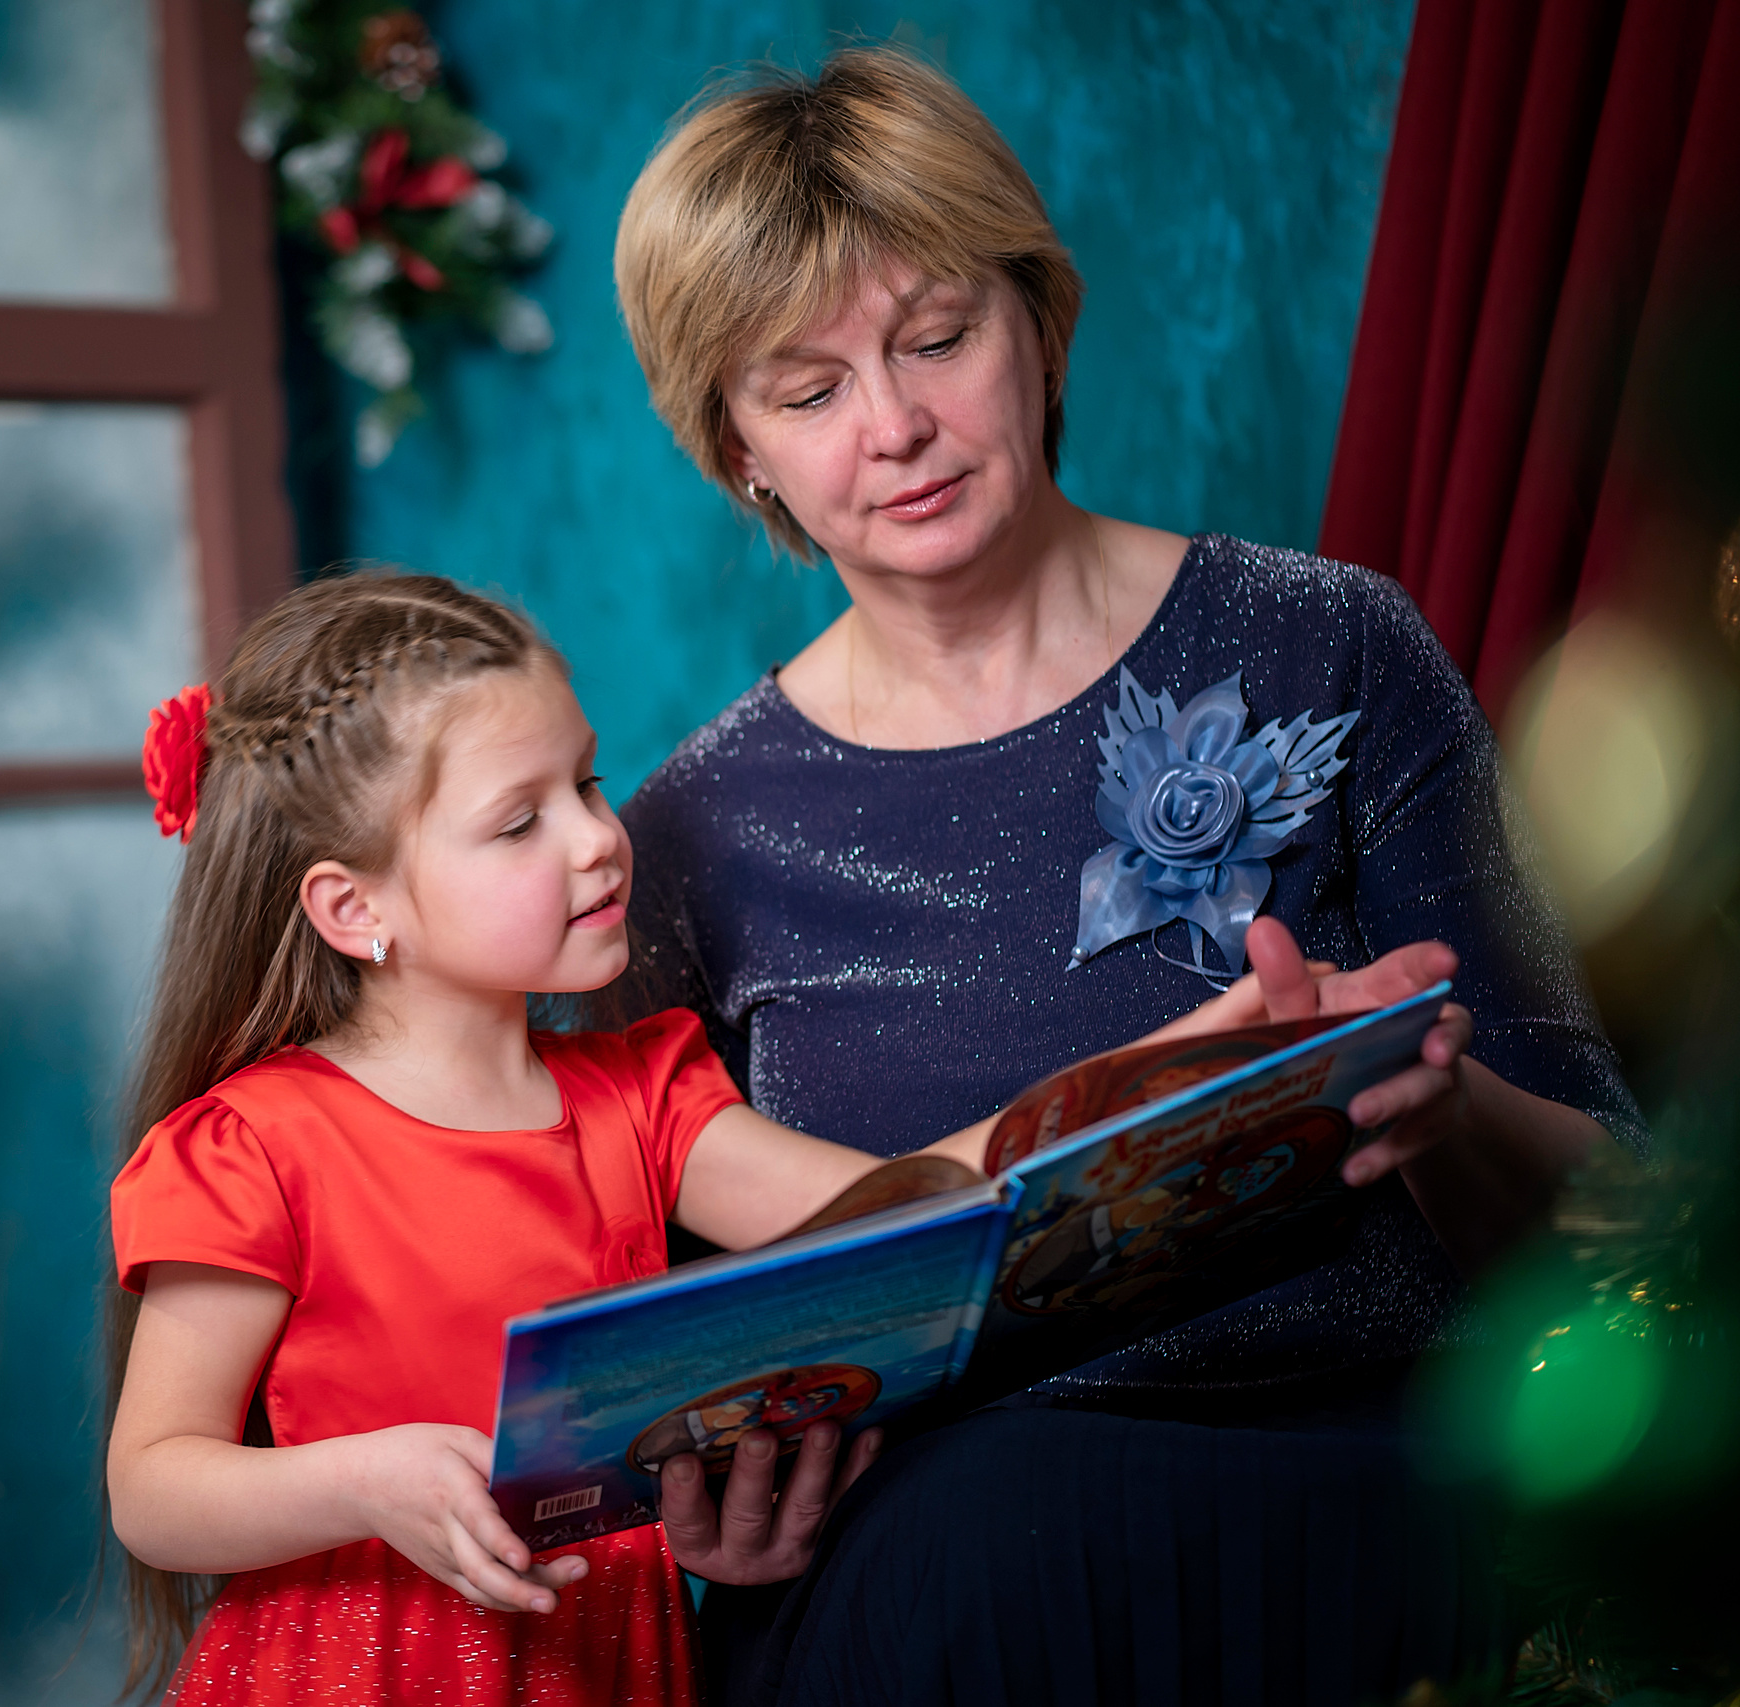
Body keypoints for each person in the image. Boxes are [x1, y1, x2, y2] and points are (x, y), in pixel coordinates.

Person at [608, 45, 1642, 1706]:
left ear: (1041, 322)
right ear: (738, 449)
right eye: (805, 393)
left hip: (1377, 1502)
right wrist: (708, 1517)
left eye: (937, 337)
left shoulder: (1336, 640)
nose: (895, 427)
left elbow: (1625, 1218)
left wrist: (1440, 1099)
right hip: (952, 1588)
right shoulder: (683, 840)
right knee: (971, 1550)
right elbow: (650, 1392)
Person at [101, 573, 1460, 1705]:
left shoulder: (641, 1098)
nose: (598, 840)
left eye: (587, 782)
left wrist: (1215, 1042)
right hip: (357, 1674)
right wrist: (366, 1480)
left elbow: (929, 1201)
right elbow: (153, 1488)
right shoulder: (252, 1143)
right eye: (519, 822)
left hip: (609, 1668)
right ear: (354, 911)